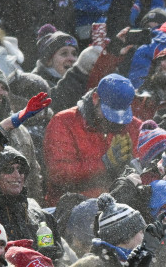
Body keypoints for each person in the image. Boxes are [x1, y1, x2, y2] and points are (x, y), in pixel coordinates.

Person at [42, 74, 142, 203]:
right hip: (73, 206)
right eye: (109, 113)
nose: (114, 122)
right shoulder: (64, 122)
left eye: (119, 116)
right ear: (95, 98)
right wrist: (103, 164)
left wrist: (134, 164)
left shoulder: (132, 125)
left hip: (120, 205)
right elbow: (58, 174)